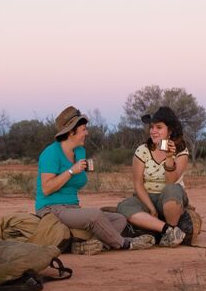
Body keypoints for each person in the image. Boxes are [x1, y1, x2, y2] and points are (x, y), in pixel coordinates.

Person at [36, 106, 155, 254]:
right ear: (71, 132)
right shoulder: (51, 153)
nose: (87, 133)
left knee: (119, 219)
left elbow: (77, 179)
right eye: (83, 129)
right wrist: (71, 171)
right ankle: (125, 244)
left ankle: (90, 245)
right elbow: (46, 189)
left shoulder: (80, 151)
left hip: (72, 207)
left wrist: (78, 170)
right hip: (52, 208)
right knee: (95, 215)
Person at [117, 106, 190, 247]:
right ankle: (169, 231)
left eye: (159, 127)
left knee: (172, 189)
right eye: (152, 127)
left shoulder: (181, 151)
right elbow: (138, 184)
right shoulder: (142, 150)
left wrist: (169, 157)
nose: (153, 131)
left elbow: (171, 181)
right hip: (147, 197)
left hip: (169, 197)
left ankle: (165, 228)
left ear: (170, 131)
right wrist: (152, 208)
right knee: (124, 206)